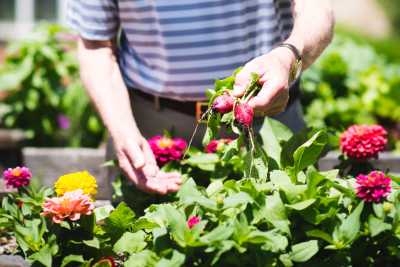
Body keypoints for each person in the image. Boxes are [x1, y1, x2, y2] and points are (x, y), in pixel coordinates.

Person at [67, 0, 334, 195]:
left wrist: (288, 55)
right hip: (152, 132)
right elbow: (96, 45)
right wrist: (123, 131)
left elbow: (317, 8)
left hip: (267, 124)